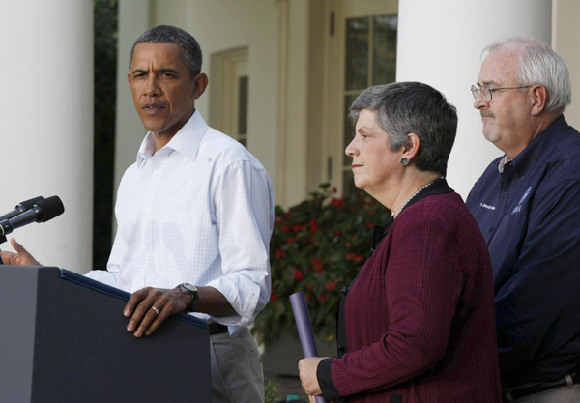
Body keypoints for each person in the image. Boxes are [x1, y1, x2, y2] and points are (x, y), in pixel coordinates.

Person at [1, 24, 274, 403]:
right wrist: (47, 281)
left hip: (210, 356)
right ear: (129, 82)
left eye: (167, 74)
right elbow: (123, 280)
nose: (151, 89)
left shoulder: (229, 164)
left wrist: (185, 295)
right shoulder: (136, 174)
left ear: (199, 85)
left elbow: (252, 284)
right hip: (139, 354)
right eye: (141, 75)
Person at [298, 82, 501, 402]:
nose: (351, 148)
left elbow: (414, 344)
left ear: (408, 148)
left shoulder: (428, 223)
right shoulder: (422, 218)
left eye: (365, 136)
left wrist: (328, 375)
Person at [467, 37, 580, 402]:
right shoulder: (493, 173)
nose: (478, 102)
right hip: (490, 382)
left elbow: (534, 301)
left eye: (491, 90)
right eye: (478, 89)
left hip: (546, 391)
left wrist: (444, 361)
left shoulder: (571, 172)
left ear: (536, 98)